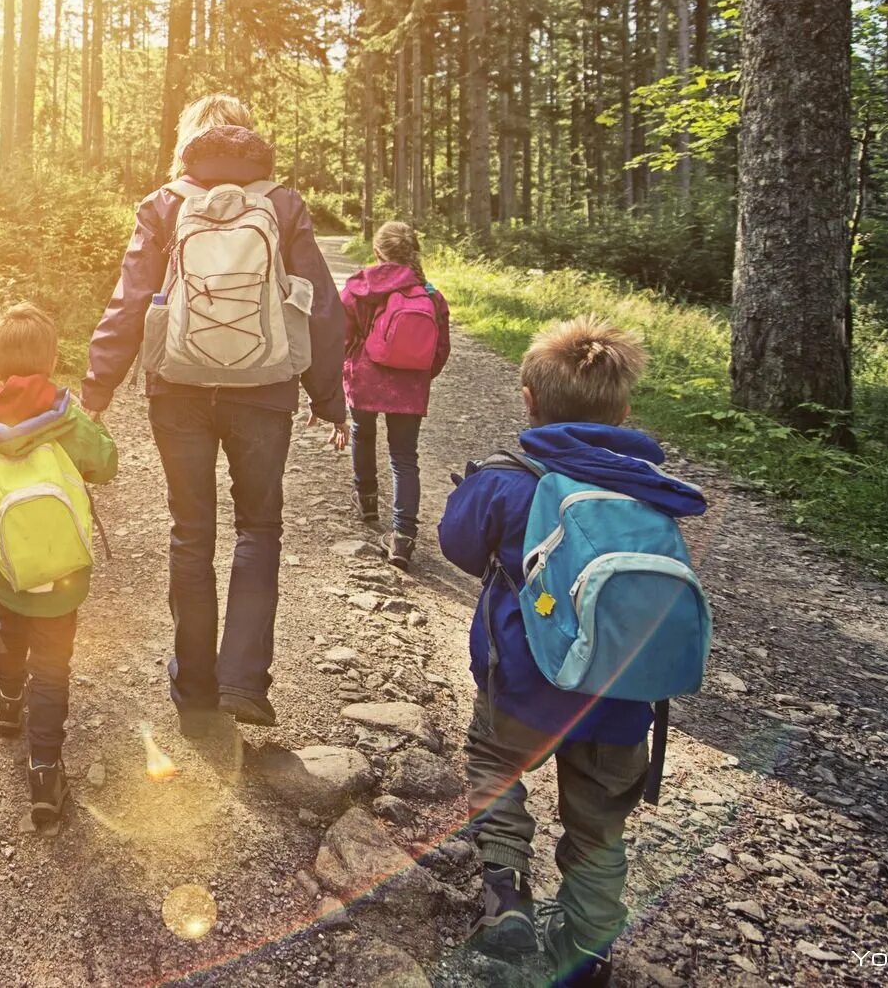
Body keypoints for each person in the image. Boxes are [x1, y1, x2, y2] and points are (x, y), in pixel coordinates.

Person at [439, 317, 707, 986]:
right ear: (623, 410)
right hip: (622, 699)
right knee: (598, 826)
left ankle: (506, 902)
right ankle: (587, 944)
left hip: (523, 690)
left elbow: (456, 546)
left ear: (529, 400)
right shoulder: (652, 494)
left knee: (494, 767)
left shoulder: (508, 479)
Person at [82, 94, 345, 729]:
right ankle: (244, 682)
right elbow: (320, 304)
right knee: (258, 529)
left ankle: (194, 685)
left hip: (178, 387)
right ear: (245, 140)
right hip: (265, 388)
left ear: (188, 142)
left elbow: (130, 300)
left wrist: (95, 391)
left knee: (190, 533)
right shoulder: (281, 204)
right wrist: (328, 397)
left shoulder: (164, 204)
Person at [0, 301, 117, 827]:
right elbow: (105, 464)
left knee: (9, 628)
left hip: (6, 568)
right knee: (53, 665)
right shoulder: (68, 420)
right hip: (62, 573)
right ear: (51, 357)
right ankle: (44, 770)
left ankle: (7, 706)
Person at [340, 220, 452, 572]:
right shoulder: (431, 293)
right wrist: (419, 375)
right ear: (413, 251)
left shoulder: (361, 286)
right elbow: (440, 350)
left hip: (365, 378)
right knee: (404, 457)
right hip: (409, 385)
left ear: (377, 251)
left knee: (363, 433)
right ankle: (402, 536)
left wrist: (348, 365)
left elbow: (342, 334)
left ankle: (367, 499)